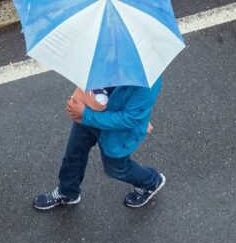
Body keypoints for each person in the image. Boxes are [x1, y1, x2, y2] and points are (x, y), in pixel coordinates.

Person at [33, 79, 164, 210]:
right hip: (91, 111)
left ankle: (151, 181)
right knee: (74, 154)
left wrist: (85, 113)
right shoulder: (110, 59)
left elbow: (128, 119)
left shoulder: (149, 82)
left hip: (115, 132)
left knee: (116, 169)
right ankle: (67, 192)